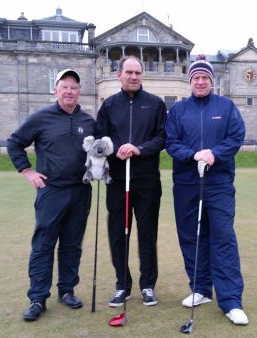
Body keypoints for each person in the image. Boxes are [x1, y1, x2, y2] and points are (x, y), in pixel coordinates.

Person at [165, 55, 249, 325]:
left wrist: (214, 153)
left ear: (211, 81)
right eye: (196, 78)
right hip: (187, 183)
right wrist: (194, 156)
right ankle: (200, 289)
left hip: (219, 182)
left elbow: (236, 137)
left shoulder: (225, 106)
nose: (200, 82)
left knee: (223, 237)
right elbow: (171, 143)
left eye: (205, 78)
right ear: (190, 81)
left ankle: (231, 301)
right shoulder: (178, 111)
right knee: (191, 237)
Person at [7, 69, 95, 321]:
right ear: (56, 90)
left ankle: (67, 290)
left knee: (72, 244)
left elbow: (98, 150)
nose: (69, 91)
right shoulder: (41, 118)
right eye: (64, 86)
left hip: (80, 191)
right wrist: (27, 171)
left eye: (74, 87)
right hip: (51, 191)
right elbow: (14, 142)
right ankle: (37, 297)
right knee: (44, 244)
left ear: (79, 92)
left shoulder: (88, 122)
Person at [95, 55, 167, 307]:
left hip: (146, 179)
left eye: (138, 73)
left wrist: (138, 148)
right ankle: (122, 285)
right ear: (119, 75)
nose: (134, 77)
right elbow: (100, 138)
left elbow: (162, 138)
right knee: (118, 233)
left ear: (142, 75)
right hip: (117, 179)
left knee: (147, 233)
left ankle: (147, 284)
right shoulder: (109, 105)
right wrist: (116, 149)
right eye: (129, 72)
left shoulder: (156, 104)